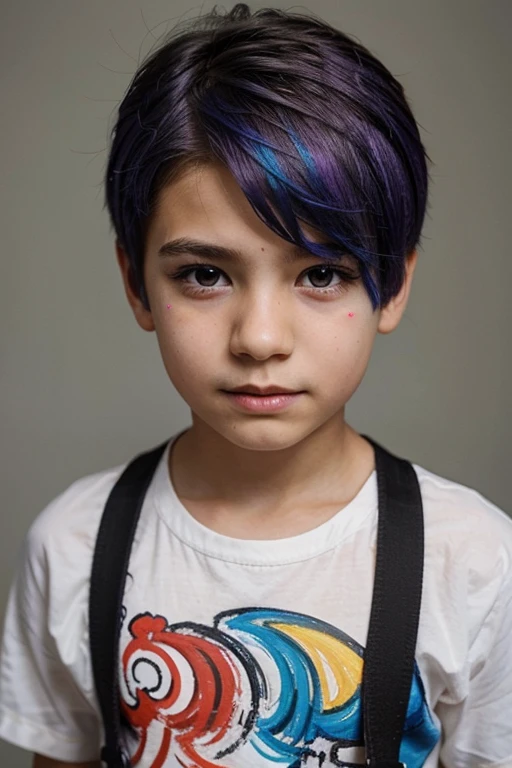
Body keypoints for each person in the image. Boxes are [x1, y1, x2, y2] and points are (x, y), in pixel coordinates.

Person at [1, 4, 511, 767]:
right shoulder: (72, 547)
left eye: (321, 274)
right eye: (204, 275)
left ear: (393, 286)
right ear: (137, 287)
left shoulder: (474, 564)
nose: (260, 339)